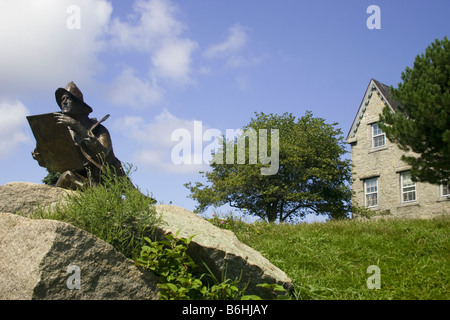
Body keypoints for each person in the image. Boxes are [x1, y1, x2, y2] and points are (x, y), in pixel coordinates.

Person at [32, 81, 124, 189]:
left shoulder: (99, 130)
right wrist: (42, 157)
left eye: (68, 99)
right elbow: (58, 164)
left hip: (102, 184)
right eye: (62, 100)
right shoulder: (63, 133)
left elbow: (102, 153)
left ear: (79, 105)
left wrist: (78, 127)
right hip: (79, 180)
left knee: (67, 177)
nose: (64, 103)